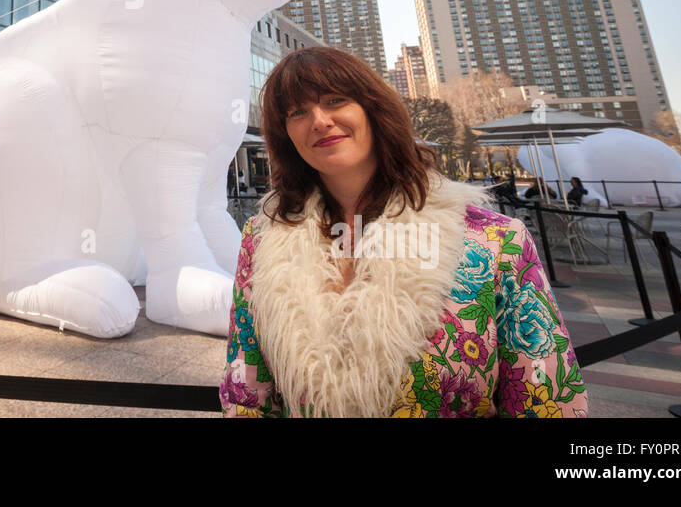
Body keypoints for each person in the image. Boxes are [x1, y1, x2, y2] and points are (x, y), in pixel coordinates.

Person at [220, 46, 587, 417]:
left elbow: (548, 403)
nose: (319, 120)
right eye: (298, 112)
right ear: (286, 136)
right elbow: (246, 396)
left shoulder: (494, 240)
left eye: (335, 100)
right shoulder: (262, 240)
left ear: (374, 110)